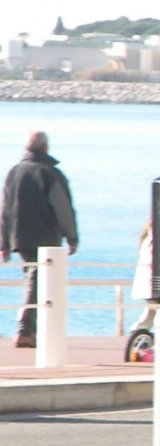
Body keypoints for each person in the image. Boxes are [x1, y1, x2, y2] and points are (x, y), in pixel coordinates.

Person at [1, 130, 79, 348]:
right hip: (45, 237)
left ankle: (32, 330)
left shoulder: (15, 172)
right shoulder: (50, 173)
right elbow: (62, 207)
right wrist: (71, 236)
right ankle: (25, 331)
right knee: (36, 281)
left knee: (32, 279)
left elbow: (5, 209)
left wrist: (4, 242)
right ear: (46, 148)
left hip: (19, 236)